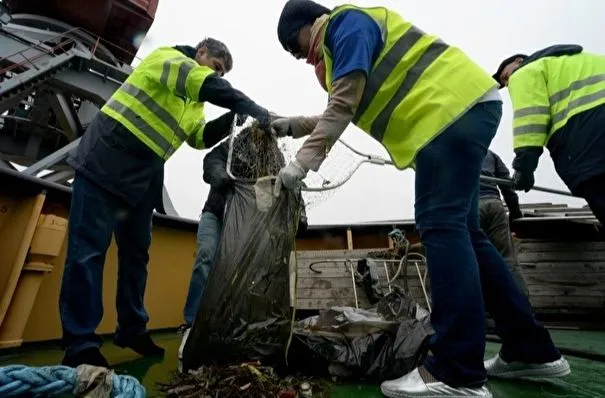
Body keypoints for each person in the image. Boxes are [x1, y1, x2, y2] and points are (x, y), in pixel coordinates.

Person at [273, 1, 570, 397]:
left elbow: (342, 104)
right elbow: (341, 106)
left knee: (441, 226)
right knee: (468, 234)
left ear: (308, 24)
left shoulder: (346, 24)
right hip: (465, 111)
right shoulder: (343, 47)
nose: (296, 57)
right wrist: (293, 125)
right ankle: (529, 349)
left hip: (445, 117)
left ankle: (456, 370)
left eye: (293, 45)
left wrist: (302, 164)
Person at [59, 37, 274, 368]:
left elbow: (197, 137)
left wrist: (232, 118)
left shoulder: (194, 100)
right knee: (88, 251)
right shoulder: (170, 60)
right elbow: (202, 83)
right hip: (107, 157)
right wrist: (251, 106)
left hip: (144, 175)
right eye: (216, 68)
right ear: (201, 53)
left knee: (136, 254)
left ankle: (131, 329)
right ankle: (80, 344)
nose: (217, 77)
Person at [177, 127, 309, 365]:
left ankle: (233, 328)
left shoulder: (276, 159)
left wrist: (301, 214)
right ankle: (192, 324)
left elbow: (291, 186)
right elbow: (211, 159)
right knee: (207, 256)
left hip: (247, 228)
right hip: (216, 215)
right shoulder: (234, 146)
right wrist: (219, 175)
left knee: (253, 274)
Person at [493, 45, 605, 228]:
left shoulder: (526, 72)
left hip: (591, 148)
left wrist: (524, 168)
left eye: (506, 77)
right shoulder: (589, 60)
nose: (507, 83)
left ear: (519, 61)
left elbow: (530, 120)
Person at [480, 149, 529, 297]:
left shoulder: (455, 150)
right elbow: (507, 186)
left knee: (471, 259)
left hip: (470, 206)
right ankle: (524, 307)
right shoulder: (491, 154)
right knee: (508, 261)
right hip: (495, 206)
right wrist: (515, 214)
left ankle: (476, 312)